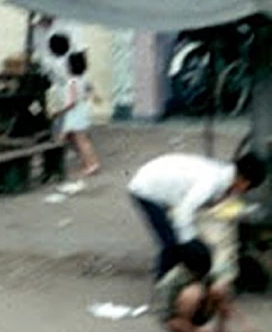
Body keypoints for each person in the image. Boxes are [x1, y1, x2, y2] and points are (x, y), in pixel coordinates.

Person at [127, 152, 266, 280]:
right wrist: (189, 241)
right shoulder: (212, 182)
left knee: (178, 238)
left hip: (164, 184)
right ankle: (164, 281)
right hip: (146, 189)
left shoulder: (224, 174)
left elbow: (204, 204)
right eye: (248, 187)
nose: (245, 191)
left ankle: (176, 277)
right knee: (172, 243)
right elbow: (184, 212)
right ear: (244, 181)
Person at [54, 51, 100, 178]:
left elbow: (72, 101)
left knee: (80, 140)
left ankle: (91, 164)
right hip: (83, 110)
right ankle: (89, 162)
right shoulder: (84, 79)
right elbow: (92, 92)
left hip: (75, 113)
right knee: (77, 139)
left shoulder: (72, 82)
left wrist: (60, 110)